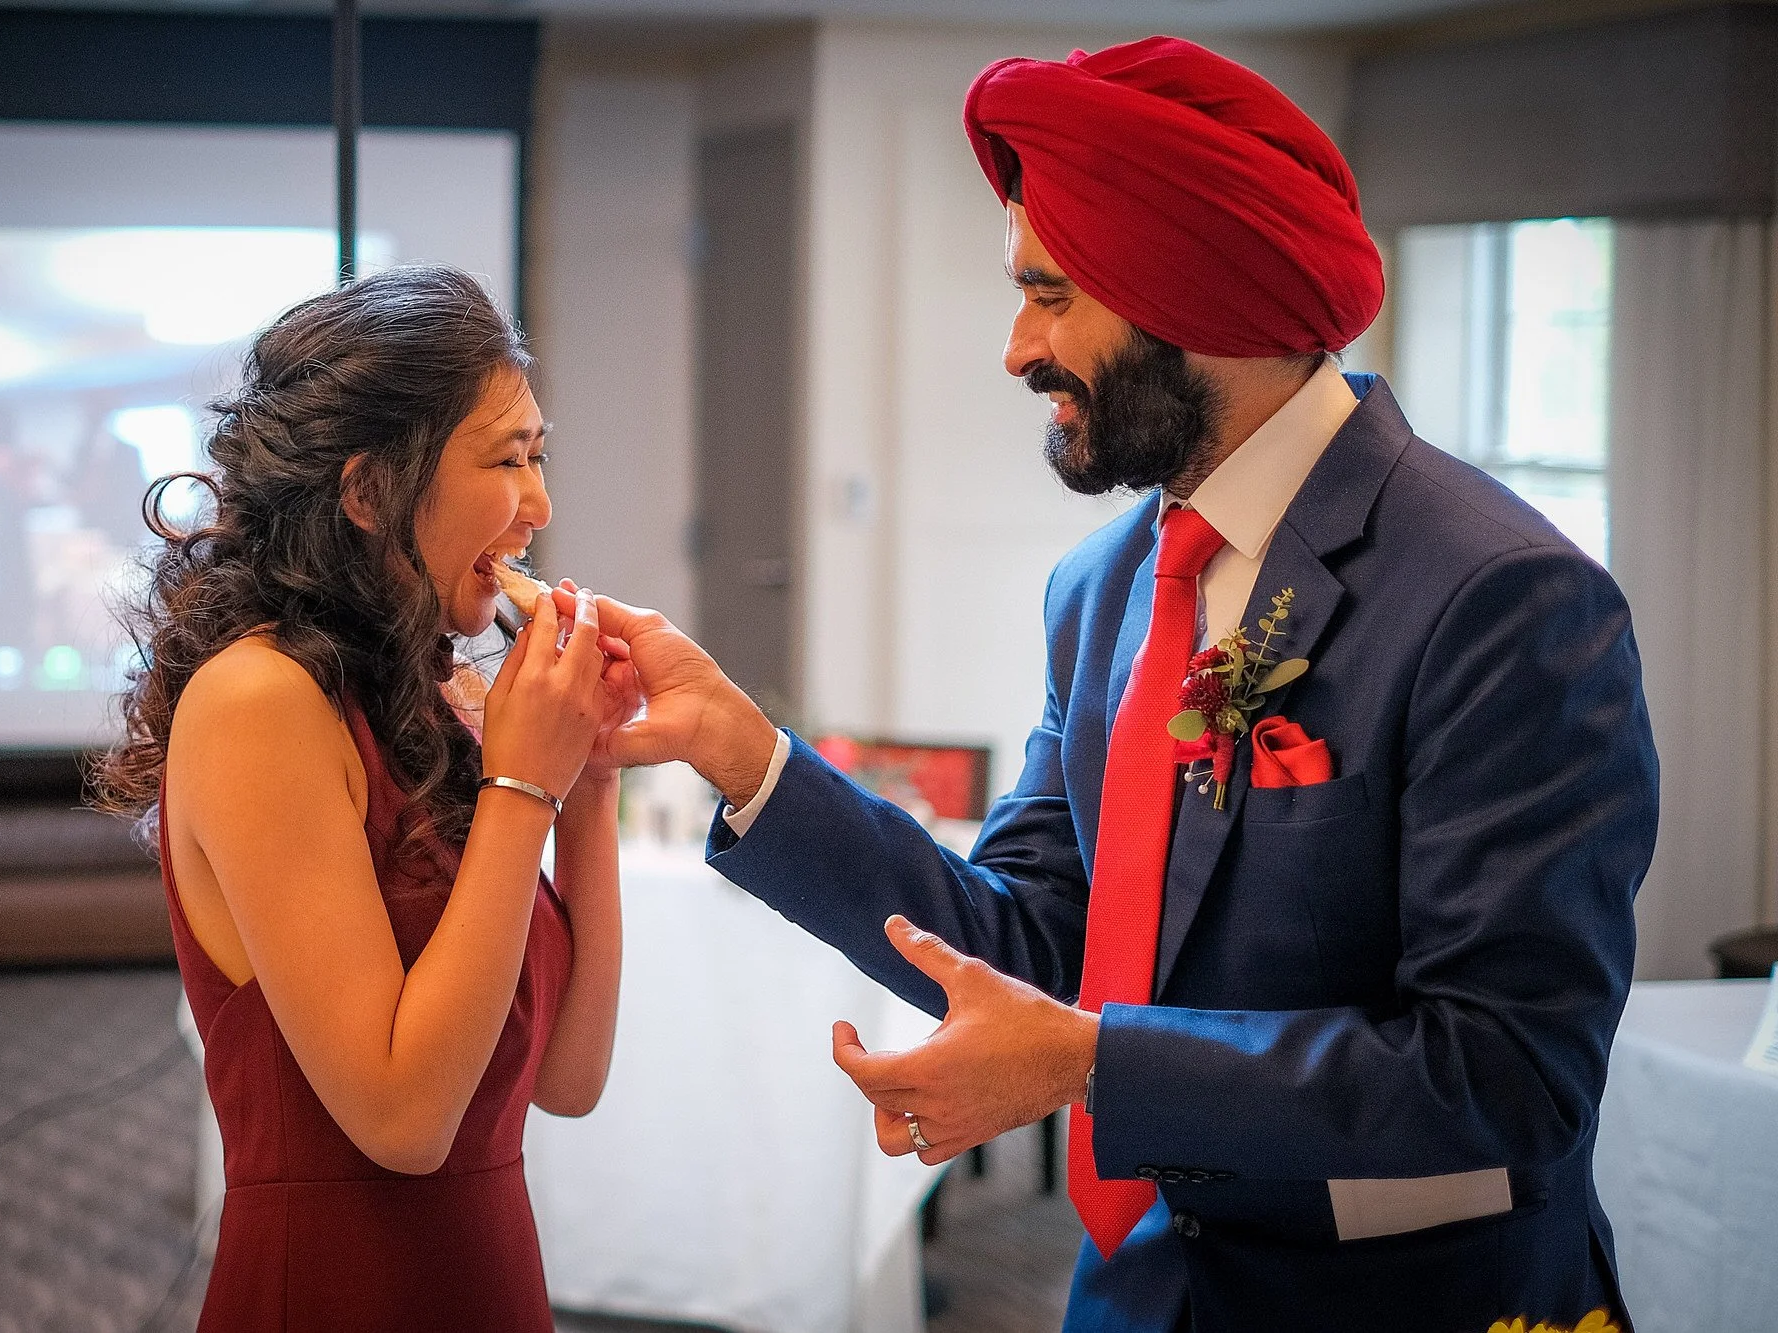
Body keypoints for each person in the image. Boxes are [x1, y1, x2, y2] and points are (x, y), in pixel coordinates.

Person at [580, 37, 1658, 1333]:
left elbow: (1508, 1070)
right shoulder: (1101, 590)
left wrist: (1095, 1064)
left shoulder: (1499, 596)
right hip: (1140, 1293)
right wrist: (750, 757)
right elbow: (1033, 943)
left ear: (1188, 298)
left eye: (1050, 295)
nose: (1017, 347)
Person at [94, 267, 634, 1332]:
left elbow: (567, 1078)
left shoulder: (424, 694)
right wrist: (523, 786)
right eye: (507, 459)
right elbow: (403, 1117)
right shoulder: (259, 700)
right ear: (369, 489)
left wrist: (592, 781)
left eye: (540, 456)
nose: (540, 507)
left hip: (486, 1274)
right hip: (341, 1289)